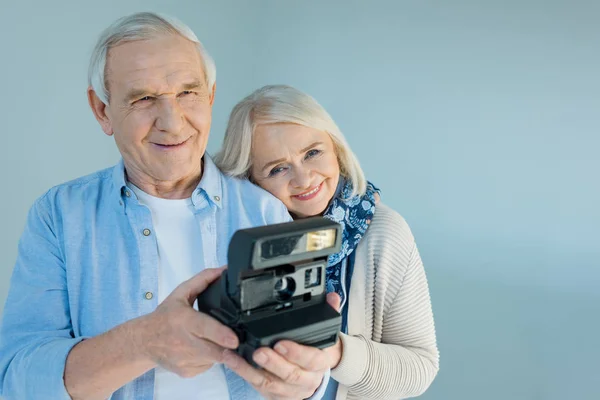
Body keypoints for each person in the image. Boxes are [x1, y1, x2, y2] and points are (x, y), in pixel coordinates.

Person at [0, 13, 335, 400]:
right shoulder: (59, 215)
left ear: (210, 96)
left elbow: (303, 366)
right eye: (143, 98)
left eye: (188, 93)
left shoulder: (264, 209)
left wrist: (307, 381)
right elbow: (16, 380)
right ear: (102, 110)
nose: (172, 123)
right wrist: (142, 342)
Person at [215, 84, 440, 400]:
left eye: (312, 153)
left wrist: (335, 353)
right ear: (250, 179)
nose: (304, 179)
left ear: (335, 147)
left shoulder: (384, 232)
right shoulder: (233, 240)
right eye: (278, 168)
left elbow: (420, 368)